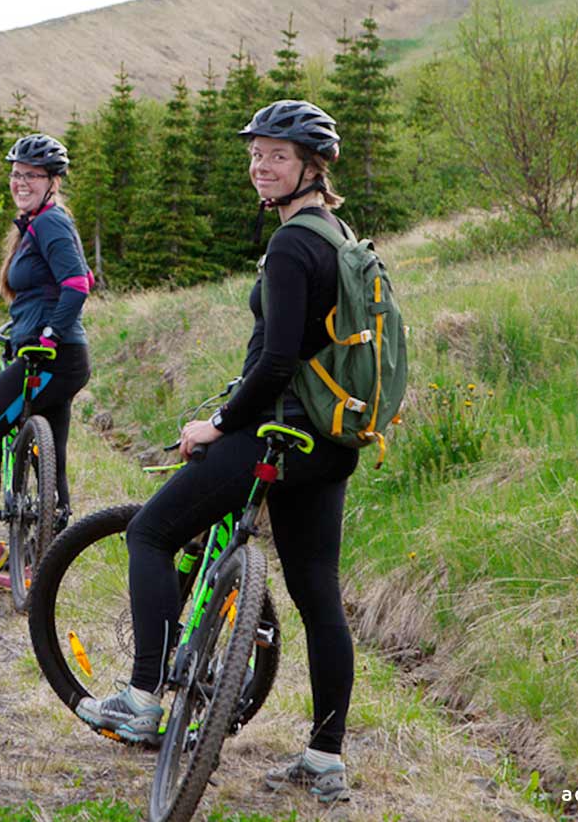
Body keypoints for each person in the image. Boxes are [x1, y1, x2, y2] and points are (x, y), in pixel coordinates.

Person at [76, 101, 362, 804]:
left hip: (276, 432)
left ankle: (141, 698)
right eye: (256, 154)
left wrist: (218, 423)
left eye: (277, 156)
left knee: (150, 533)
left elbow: (276, 362)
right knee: (318, 596)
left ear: (312, 167)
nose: (261, 166)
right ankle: (324, 759)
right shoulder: (338, 235)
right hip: (328, 441)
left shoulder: (292, 245)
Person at [0, 133, 94, 595]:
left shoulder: (50, 223)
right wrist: (22, 328)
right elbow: (55, 287)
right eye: (16, 174)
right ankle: (40, 563)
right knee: (51, 461)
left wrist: (49, 335)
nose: (21, 182)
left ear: (53, 181)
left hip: (51, 356)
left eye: (32, 175)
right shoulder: (38, 223)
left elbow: (77, 284)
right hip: (52, 354)